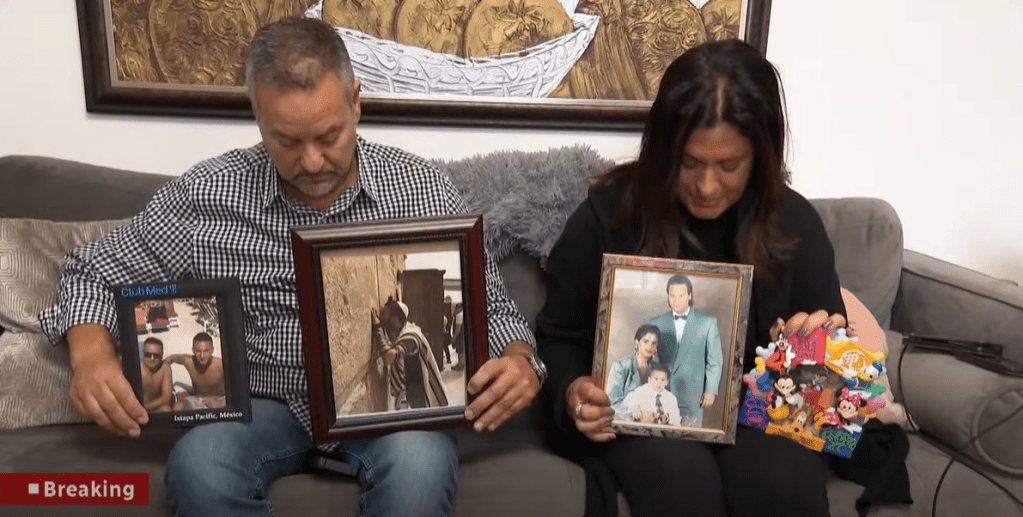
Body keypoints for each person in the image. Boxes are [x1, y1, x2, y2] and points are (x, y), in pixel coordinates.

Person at [38, 16, 543, 517]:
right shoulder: (205, 194)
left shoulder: (421, 188)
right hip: (262, 407)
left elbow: (493, 308)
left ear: (356, 101)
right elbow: (92, 271)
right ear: (256, 115)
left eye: (329, 136)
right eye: (287, 141)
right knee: (201, 462)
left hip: (385, 418)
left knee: (418, 465)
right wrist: (92, 357)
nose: (313, 161)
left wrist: (520, 361)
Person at [534, 39, 885, 517]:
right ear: (663, 149)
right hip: (646, 418)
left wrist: (814, 348)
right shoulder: (609, 215)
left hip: (764, 420)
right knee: (680, 478)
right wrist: (574, 392)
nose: (706, 186)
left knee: (781, 480)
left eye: (729, 166)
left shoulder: (796, 224)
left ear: (761, 155)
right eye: (690, 163)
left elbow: (828, 395)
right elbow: (557, 336)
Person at [646, 273, 722, 427]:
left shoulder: (707, 323)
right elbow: (649, 359)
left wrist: (711, 390)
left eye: (681, 295)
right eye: (672, 296)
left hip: (692, 395)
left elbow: (714, 360)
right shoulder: (656, 323)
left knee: (688, 443)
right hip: (661, 392)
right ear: (668, 296)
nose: (676, 300)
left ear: (689, 295)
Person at [372, 299, 448, 410]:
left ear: (395, 318)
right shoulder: (402, 332)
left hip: (419, 393)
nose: (380, 317)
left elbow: (389, 358)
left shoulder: (411, 336)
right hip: (412, 389)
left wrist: (377, 328)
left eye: (384, 314)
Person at [604, 324, 660, 419]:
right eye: (646, 341)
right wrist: (632, 411)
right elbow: (612, 404)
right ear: (637, 342)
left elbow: (663, 400)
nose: (650, 346)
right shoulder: (620, 366)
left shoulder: (658, 370)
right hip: (625, 423)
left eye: (653, 343)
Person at [164, 332, 227, 410]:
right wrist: (160, 376)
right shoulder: (189, 362)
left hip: (219, 400)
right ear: (193, 350)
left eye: (206, 351)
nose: (202, 356)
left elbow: (240, 389)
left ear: (212, 350)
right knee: (178, 407)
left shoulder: (220, 365)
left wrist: (221, 403)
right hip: (198, 399)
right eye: (198, 351)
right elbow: (172, 358)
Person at [139, 337, 174, 413]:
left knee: (167, 410)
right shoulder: (137, 368)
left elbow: (166, 398)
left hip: (155, 406)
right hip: (136, 407)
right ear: (143, 353)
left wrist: (145, 407)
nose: (152, 358)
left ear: (162, 355)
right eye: (148, 354)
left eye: (156, 355)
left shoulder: (165, 368)